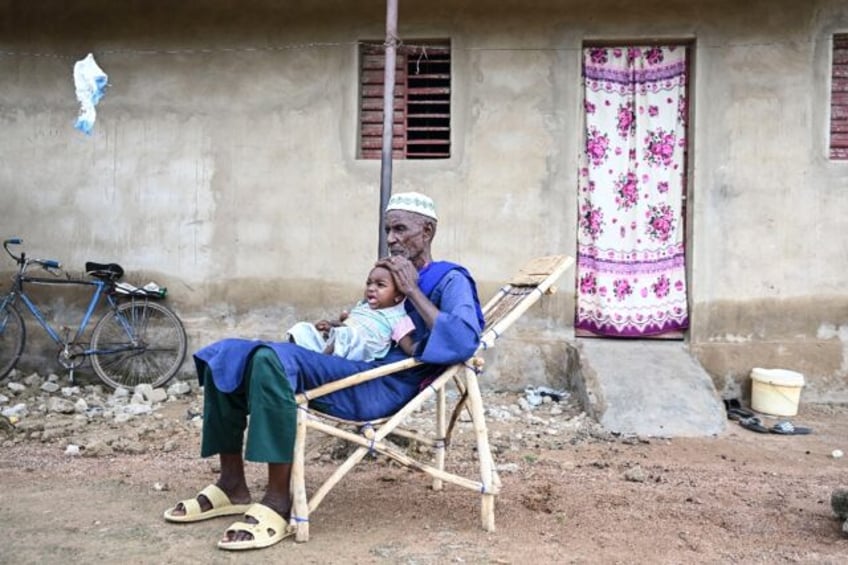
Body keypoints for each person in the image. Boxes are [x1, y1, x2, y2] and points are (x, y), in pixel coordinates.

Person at [163, 191, 485, 551]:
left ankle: (277, 501)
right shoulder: (389, 272)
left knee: (272, 359)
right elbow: (365, 327)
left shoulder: (449, 279)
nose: (391, 239)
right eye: (387, 230)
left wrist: (412, 289)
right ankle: (231, 483)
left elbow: (464, 341)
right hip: (353, 368)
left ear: (427, 231)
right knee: (225, 354)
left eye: (400, 229)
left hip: (382, 384)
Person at [285, 264, 416, 361]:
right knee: (301, 329)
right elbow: (345, 327)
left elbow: (409, 347)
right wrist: (332, 325)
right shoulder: (363, 308)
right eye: (369, 283)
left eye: (380, 285)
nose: (371, 288)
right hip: (337, 345)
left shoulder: (398, 318)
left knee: (346, 334)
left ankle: (317, 364)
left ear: (398, 295)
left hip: (363, 351)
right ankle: (295, 356)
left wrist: (430, 346)